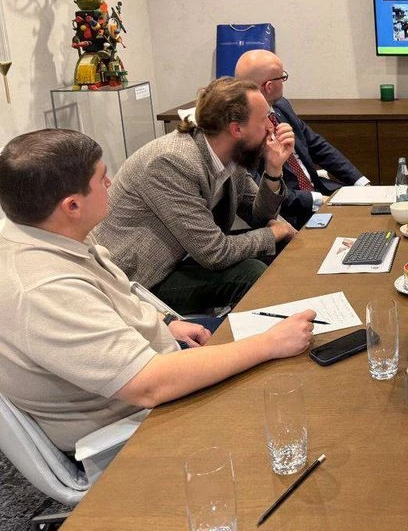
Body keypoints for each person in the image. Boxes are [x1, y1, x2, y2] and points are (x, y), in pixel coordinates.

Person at [0, 129, 315, 452]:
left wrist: (165, 322)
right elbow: (149, 385)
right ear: (72, 206)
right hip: (135, 427)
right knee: (293, 397)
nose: (110, 183)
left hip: (158, 363)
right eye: (101, 178)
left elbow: (116, 295)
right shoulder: (44, 290)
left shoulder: (47, 230)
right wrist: (269, 344)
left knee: (289, 355)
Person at [94, 77, 298, 315]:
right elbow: (215, 253)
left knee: (274, 248)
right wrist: (275, 232)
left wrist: (273, 170)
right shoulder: (172, 162)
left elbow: (260, 216)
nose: (272, 127)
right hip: (142, 280)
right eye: (264, 119)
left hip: (188, 255)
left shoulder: (229, 153)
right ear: (236, 129)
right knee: (251, 272)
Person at [235, 50, 370, 228]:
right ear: (269, 86)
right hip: (291, 213)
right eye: (282, 77)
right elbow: (260, 193)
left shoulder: (281, 106)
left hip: (321, 191)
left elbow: (317, 146)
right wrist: (316, 200)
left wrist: (361, 183)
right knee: (358, 228)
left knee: (374, 213)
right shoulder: (242, 131)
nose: (284, 81)